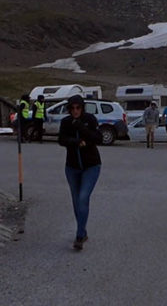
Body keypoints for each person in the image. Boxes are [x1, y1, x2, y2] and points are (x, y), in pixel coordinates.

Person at [58, 95, 102, 251]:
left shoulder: (90, 119)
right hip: (72, 167)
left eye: (78, 107)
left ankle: (79, 235)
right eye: (72, 108)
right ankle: (82, 232)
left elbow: (98, 138)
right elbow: (61, 139)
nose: (75, 111)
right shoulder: (65, 122)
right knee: (77, 201)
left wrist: (81, 128)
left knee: (83, 197)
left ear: (82, 107)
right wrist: (76, 142)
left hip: (91, 166)